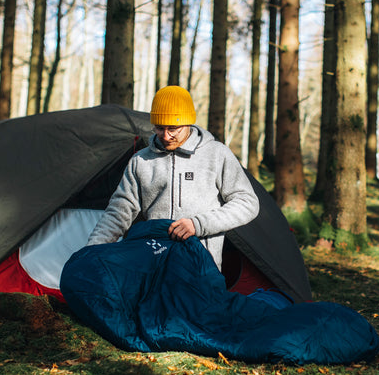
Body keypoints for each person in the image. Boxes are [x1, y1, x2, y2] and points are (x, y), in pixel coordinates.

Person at [86, 85, 259, 271]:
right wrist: (90, 251)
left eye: (173, 128)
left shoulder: (217, 154)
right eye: (159, 128)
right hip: (155, 266)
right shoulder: (140, 161)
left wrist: (198, 224)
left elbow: (247, 203)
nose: (166, 136)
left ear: (188, 122)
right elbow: (118, 212)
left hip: (201, 268)